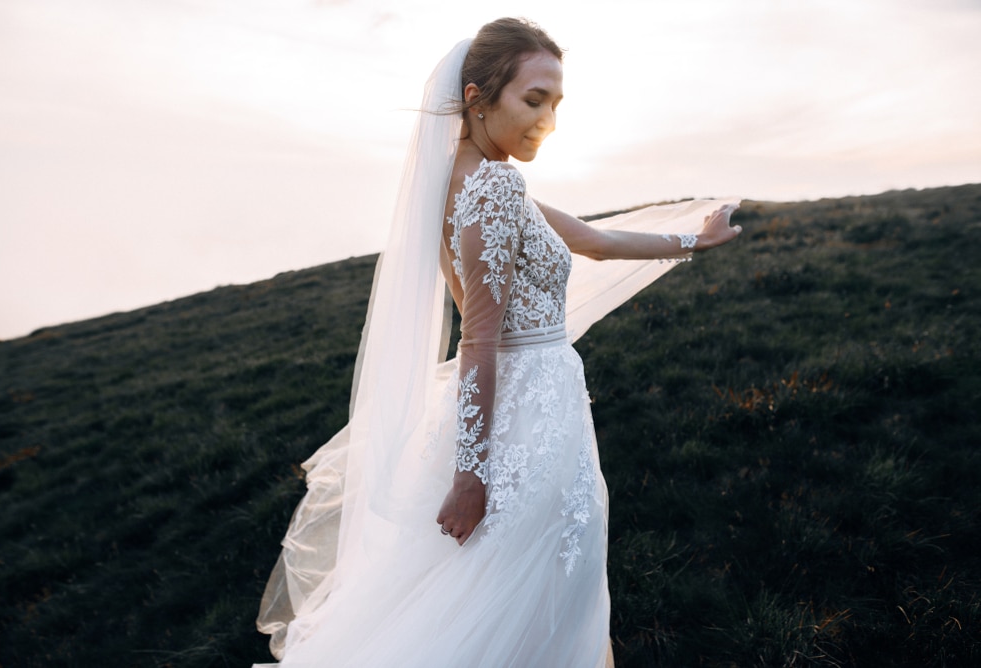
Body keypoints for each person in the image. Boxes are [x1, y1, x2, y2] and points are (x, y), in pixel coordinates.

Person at [254, 18, 740, 668]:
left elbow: (591, 239)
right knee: (528, 600)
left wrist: (691, 242)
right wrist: (471, 476)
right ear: (479, 97)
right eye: (533, 100)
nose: (548, 120)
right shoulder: (493, 187)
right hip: (527, 423)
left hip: (529, 412)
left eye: (556, 104)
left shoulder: (469, 178)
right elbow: (479, 338)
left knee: (500, 597)